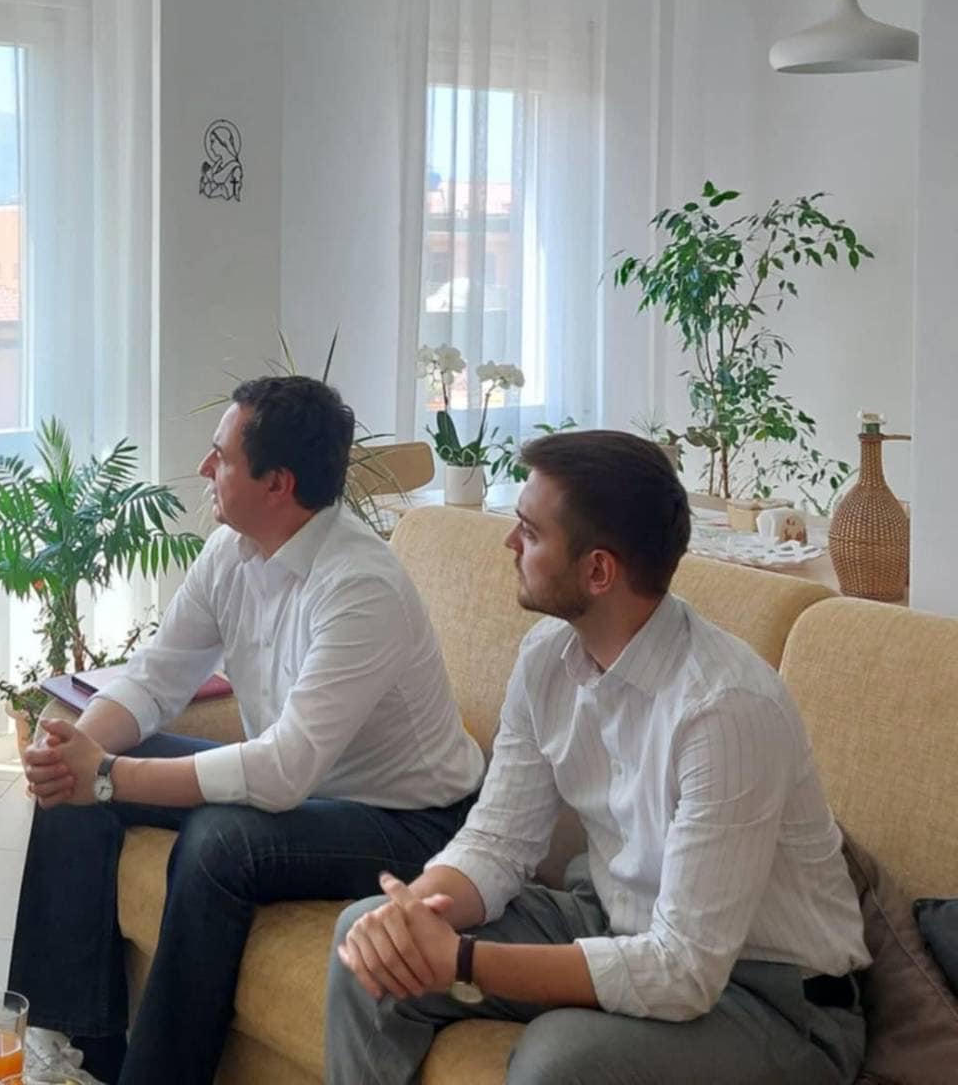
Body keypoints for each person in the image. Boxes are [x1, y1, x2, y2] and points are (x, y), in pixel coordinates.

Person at [325, 429, 869, 1085]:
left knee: (560, 1061)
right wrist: (412, 916)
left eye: (530, 531)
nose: (509, 542)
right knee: (366, 939)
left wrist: (461, 960)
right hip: (617, 923)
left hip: (772, 997)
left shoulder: (725, 710)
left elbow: (684, 971)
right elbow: (499, 841)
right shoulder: (546, 657)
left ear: (599, 571)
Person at [8, 375, 486, 1085]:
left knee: (221, 839)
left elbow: (282, 771)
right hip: (311, 791)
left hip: (412, 822)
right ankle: (75, 1055)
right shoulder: (231, 551)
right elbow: (155, 678)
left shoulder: (359, 586)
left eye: (222, 456)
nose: (205, 467)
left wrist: (105, 775)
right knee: (72, 787)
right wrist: (75, 752)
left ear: (277, 484)